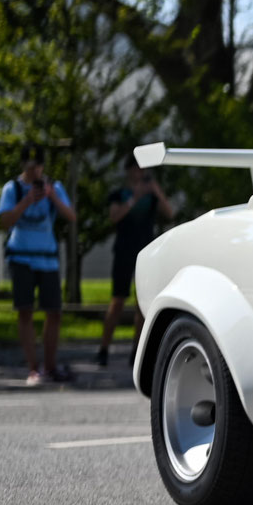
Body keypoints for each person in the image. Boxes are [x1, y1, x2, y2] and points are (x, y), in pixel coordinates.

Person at [0, 154, 77, 385]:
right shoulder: (12, 189)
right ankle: (33, 369)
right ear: (23, 166)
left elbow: (71, 216)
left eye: (39, 167)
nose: (35, 173)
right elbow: (4, 221)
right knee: (25, 310)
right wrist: (27, 200)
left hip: (48, 259)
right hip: (21, 258)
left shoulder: (54, 187)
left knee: (54, 311)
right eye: (31, 168)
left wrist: (52, 197)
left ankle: (50, 367)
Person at [98, 156, 176, 366]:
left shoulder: (152, 195)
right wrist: (134, 197)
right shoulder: (119, 194)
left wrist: (156, 191)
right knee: (118, 301)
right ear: (129, 170)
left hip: (146, 253)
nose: (140, 174)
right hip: (124, 251)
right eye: (136, 169)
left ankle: (137, 352)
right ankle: (104, 349)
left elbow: (169, 213)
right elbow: (114, 216)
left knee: (142, 304)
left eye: (143, 170)